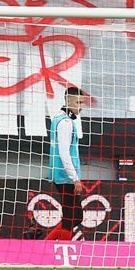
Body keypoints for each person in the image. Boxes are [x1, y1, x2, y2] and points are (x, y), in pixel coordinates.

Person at [48, 86, 86, 240]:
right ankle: (56, 248)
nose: (80, 107)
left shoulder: (58, 118)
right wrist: (74, 177)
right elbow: (64, 154)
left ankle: (47, 245)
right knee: (73, 217)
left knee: (73, 217)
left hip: (61, 175)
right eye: (78, 102)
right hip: (65, 176)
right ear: (69, 102)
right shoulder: (65, 123)